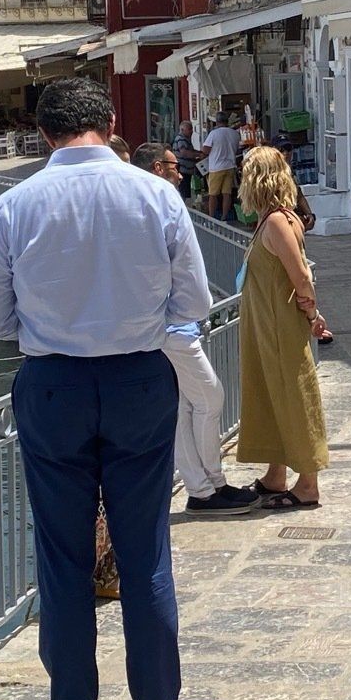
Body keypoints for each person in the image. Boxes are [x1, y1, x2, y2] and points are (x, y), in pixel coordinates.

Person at [0, 77, 210, 700]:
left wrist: (47, 326)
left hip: (54, 385)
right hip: (139, 380)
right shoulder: (157, 194)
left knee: (62, 557)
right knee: (145, 551)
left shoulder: (15, 205)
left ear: (43, 132)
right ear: (110, 122)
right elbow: (193, 303)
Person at [132, 142, 259, 516]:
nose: (180, 172)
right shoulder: (156, 203)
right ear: (158, 167)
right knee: (210, 397)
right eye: (174, 166)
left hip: (169, 326)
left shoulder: (147, 204)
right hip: (172, 327)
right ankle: (210, 485)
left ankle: (201, 488)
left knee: (186, 407)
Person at [235, 146, 331, 510]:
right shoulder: (270, 219)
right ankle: (276, 474)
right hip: (266, 324)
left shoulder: (277, 221)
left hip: (279, 326)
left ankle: (307, 484)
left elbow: (301, 276)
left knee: (294, 396)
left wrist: (313, 314)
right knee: (271, 395)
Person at [201, 113, 242, 222]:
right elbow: (238, 149)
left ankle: (211, 217)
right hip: (230, 166)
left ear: (217, 121)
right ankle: (224, 216)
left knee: (213, 194)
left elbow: (205, 150)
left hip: (216, 167)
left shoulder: (214, 134)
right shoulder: (235, 133)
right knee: (227, 193)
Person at [172, 120, 202, 203]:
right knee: (183, 192)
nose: (191, 131)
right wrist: (199, 155)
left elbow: (190, 151)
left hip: (187, 170)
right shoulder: (181, 139)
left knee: (184, 192)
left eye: (191, 129)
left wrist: (199, 153)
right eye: (189, 129)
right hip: (183, 170)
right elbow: (185, 152)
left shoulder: (186, 139)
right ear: (182, 130)